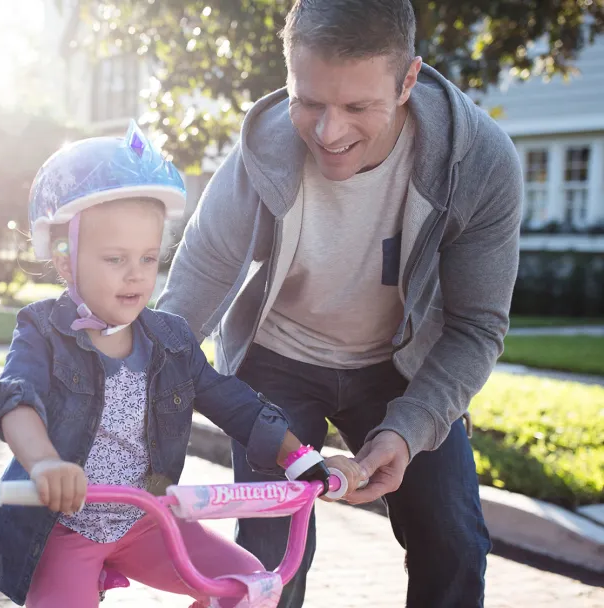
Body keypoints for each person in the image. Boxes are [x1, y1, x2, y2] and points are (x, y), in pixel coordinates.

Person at [156, 0, 522, 606]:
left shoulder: (479, 164)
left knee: (453, 542)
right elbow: (191, 291)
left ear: (408, 80)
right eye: (310, 101)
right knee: (270, 557)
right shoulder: (261, 151)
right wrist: (124, 394)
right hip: (276, 361)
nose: (329, 132)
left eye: (357, 107)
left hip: (402, 369)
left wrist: (406, 433)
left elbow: (476, 327)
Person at [0, 121, 367, 607]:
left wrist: (301, 458)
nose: (136, 274)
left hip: (147, 522)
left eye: (149, 258)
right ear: (66, 260)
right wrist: (45, 463)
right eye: (115, 258)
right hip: (66, 529)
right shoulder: (42, 333)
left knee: (250, 589)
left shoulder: (170, 341)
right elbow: (16, 399)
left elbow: (235, 404)